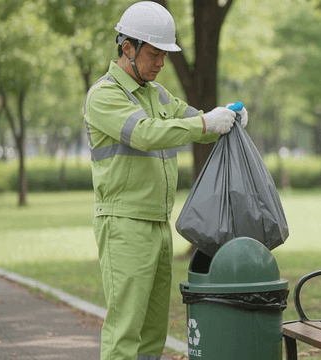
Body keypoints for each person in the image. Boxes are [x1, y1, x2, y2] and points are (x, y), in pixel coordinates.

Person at [82, 2, 248, 359]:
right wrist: (205, 124)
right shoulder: (105, 95)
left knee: (154, 332)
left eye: (164, 55)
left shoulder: (157, 94)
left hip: (159, 225)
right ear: (128, 47)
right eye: (155, 54)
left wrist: (226, 118)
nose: (161, 63)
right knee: (125, 329)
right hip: (124, 224)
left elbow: (194, 121)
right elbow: (144, 133)